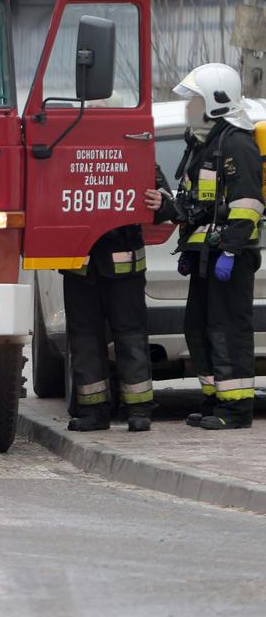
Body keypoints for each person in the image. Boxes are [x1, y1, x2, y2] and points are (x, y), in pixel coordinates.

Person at [146, 63, 263, 430]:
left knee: (228, 330)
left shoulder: (237, 143)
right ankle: (214, 400)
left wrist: (230, 250)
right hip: (206, 256)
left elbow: (248, 205)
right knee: (198, 328)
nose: (188, 106)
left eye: (194, 99)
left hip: (229, 256)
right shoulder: (203, 144)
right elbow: (198, 204)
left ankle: (236, 409)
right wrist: (167, 206)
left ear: (216, 101)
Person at [61, 219, 153, 432]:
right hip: (81, 271)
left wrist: (161, 203)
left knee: (131, 339)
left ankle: (139, 410)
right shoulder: (62, 182)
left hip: (124, 273)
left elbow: (164, 204)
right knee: (85, 341)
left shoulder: (134, 182)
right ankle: (93, 412)